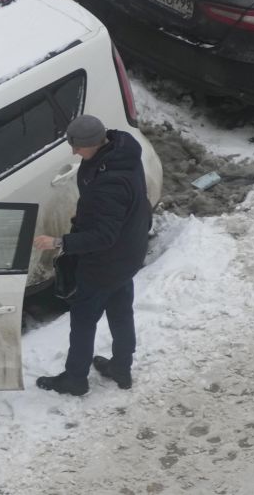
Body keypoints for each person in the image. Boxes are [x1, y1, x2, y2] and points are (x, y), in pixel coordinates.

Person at [32, 115, 151, 396]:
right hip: (128, 254)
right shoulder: (122, 150)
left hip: (104, 264)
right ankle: (121, 368)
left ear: (93, 144)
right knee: (121, 314)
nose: (74, 152)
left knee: (83, 322)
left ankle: (75, 379)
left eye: (77, 147)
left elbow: (103, 236)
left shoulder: (108, 184)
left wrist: (60, 242)